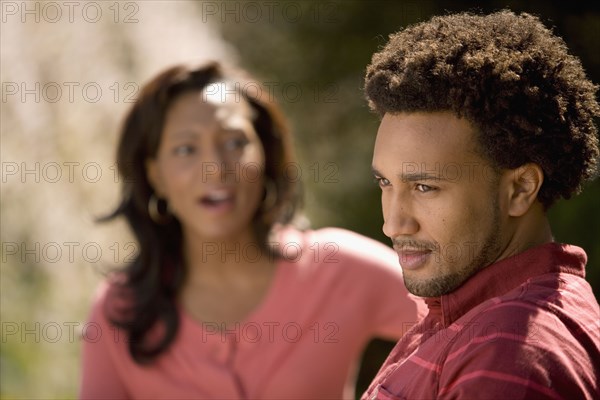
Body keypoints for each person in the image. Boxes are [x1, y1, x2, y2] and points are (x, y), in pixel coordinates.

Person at [79, 62, 424, 399]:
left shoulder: (338, 266)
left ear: (265, 155)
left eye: (234, 142)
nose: (215, 169)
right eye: (186, 149)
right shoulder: (120, 309)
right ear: (155, 176)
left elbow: (471, 323)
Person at [361, 10, 600, 400]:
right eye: (385, 183)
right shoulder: (469, 315)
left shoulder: (509, 351)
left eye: (424, 187)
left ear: (521, 189)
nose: (394, 224)